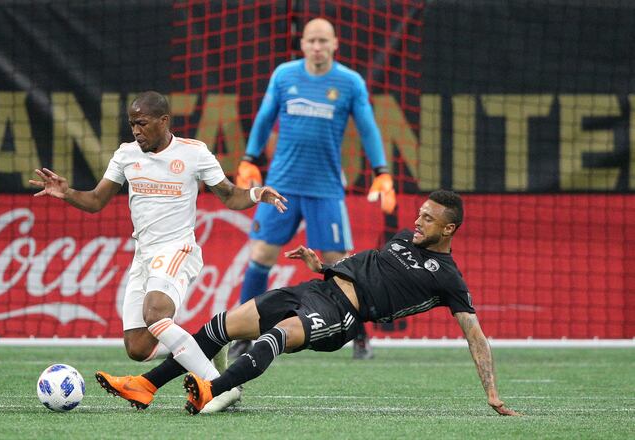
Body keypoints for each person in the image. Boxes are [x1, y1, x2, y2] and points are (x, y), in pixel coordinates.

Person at [98, 190, 522, 417]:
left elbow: (475, 335)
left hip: (344, 316)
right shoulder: (401, 238)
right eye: (419, 213)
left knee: (277, 337)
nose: (417, 220)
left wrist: (492, 392)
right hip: (317, 288)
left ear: (449, 228)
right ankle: (147, 385)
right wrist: (321, 265)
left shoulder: (449, 278)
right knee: (222, 325)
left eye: (428, 218)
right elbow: (363, 264)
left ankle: (214, 388)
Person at [29, 91, 288, 410]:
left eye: (142, 123)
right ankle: (207, 346)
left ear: (164, 121)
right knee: (137, 348)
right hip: (144, 255)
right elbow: (96, 201)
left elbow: (230, 196)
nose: (136, 130)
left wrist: (257, 193)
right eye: (131, 124)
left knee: (155, 314)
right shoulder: (125, 155)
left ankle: (222, 388)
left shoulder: (194, 153)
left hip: (179, 249)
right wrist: (67, 192)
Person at [233, 17, 396, 360]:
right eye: (312, 41)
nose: (318, 47)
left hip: (325, 189)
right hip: (281, 186)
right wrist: (249, 158)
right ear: (303, 44)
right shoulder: (284, 75)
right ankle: (243, 334)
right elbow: (264, 118)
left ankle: (361, 335)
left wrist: (382, 171)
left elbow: (367, 128)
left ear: (336, 43)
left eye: (324, 41)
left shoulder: (350, 82)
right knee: (261, 255)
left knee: (339, 265)